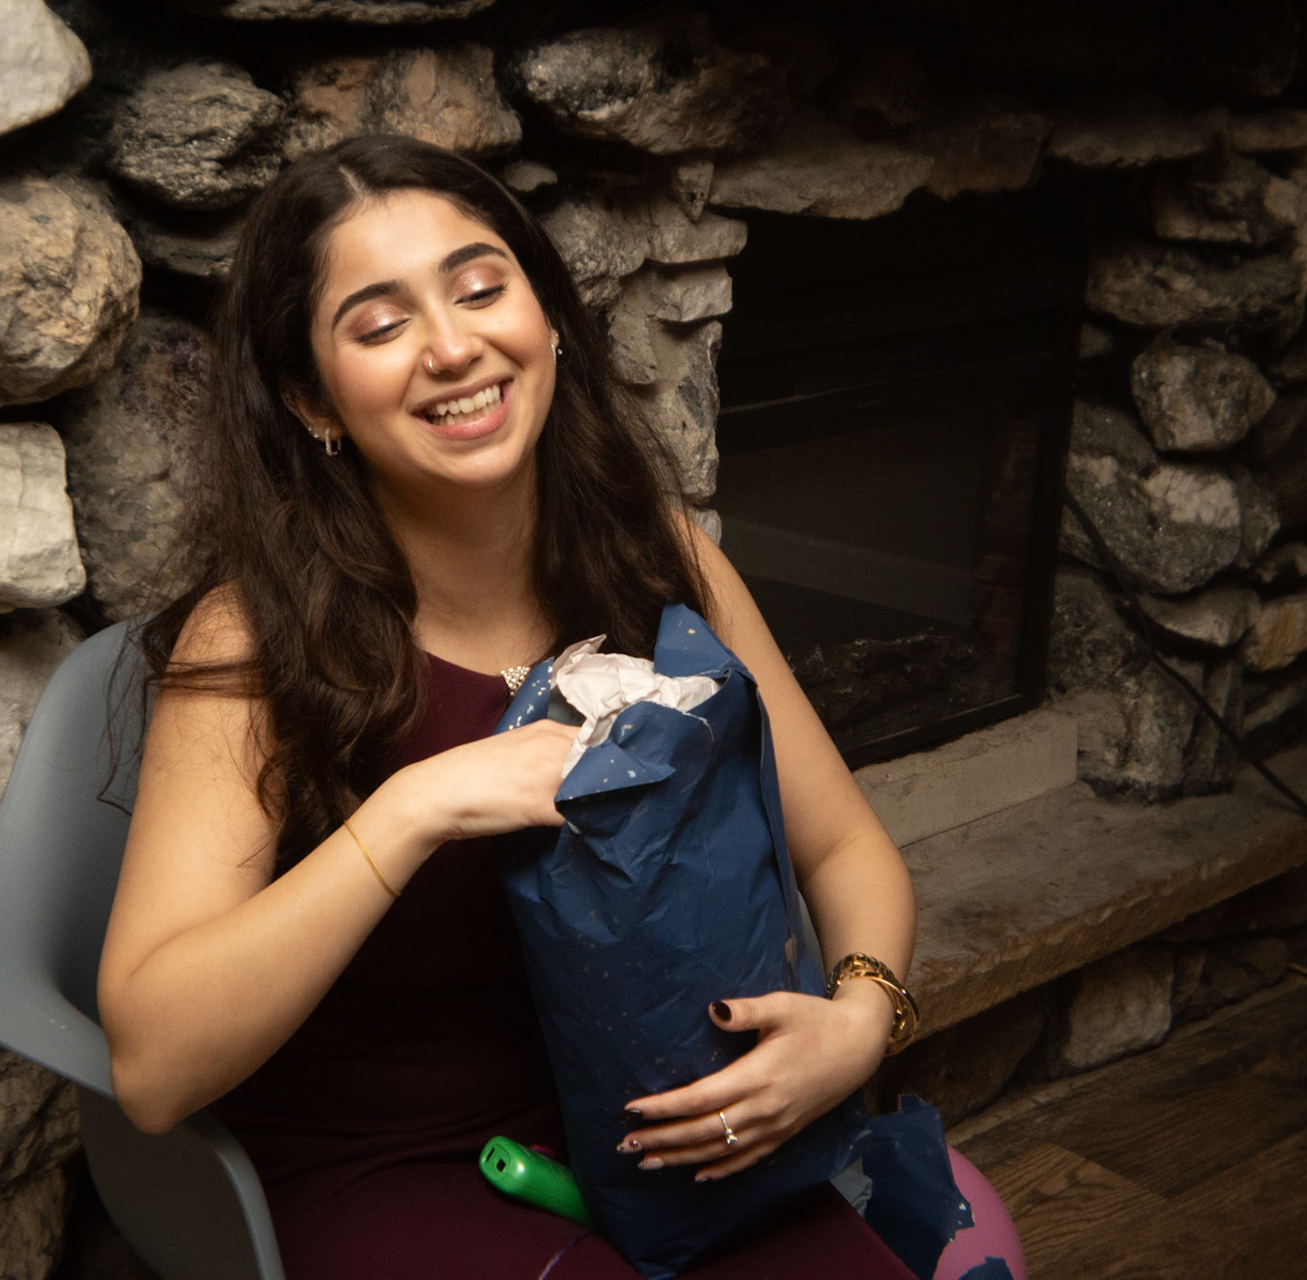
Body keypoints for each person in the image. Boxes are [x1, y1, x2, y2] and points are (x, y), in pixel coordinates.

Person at [96, 134, 922, 1279]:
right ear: (310, 397)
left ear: (546, 320)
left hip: (659, 1124)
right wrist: (415, 807)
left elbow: (843, 844)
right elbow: (152, 1067)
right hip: (390, 1165)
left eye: (482, 289)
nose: (453, 347)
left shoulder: (659, 560)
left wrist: (860, 1019)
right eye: (379, 327)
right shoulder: (253, 639)